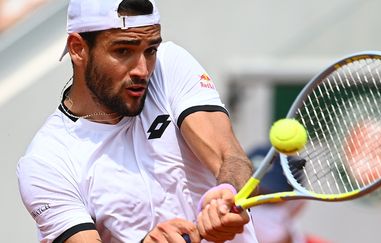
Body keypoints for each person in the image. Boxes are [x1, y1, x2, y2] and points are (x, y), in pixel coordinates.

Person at [16, 0, 258, 242]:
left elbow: (230, 157)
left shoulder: (169, 64)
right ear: (78, 48)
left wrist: (228, 193)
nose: (142, 70)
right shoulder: (45, 162)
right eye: (123, 51)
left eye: (150, 50)